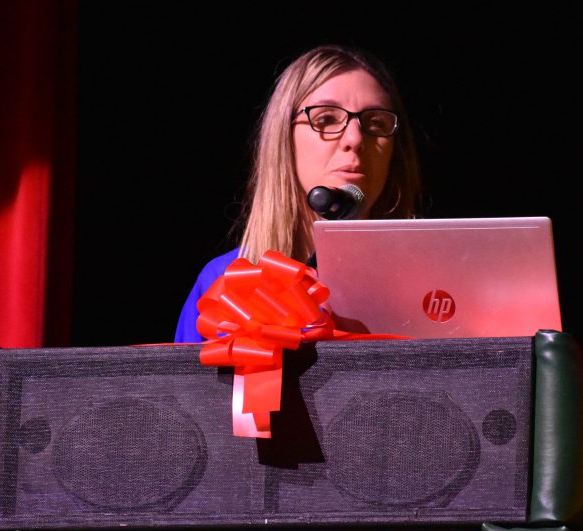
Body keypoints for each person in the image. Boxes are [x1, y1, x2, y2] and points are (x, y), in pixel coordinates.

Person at [174, 44, 422, 342]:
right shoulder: (224, 283)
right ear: (284, 140)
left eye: (375, 123)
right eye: (326, 119)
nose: (355, 139)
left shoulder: (428, 289)